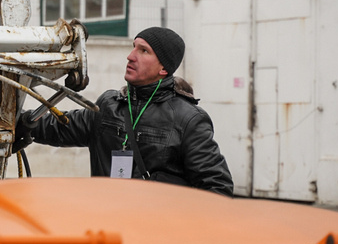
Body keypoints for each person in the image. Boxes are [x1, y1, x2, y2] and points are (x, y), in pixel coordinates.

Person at [16, 26, 233, 195]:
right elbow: (59, 127)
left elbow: (217, 187)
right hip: (110, 227)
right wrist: (14, 119)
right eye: (133, 46)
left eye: (144, 50)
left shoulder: (189, 119)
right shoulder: (110, 105)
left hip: (157, 237)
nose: (130, 56)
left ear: (163, 68)